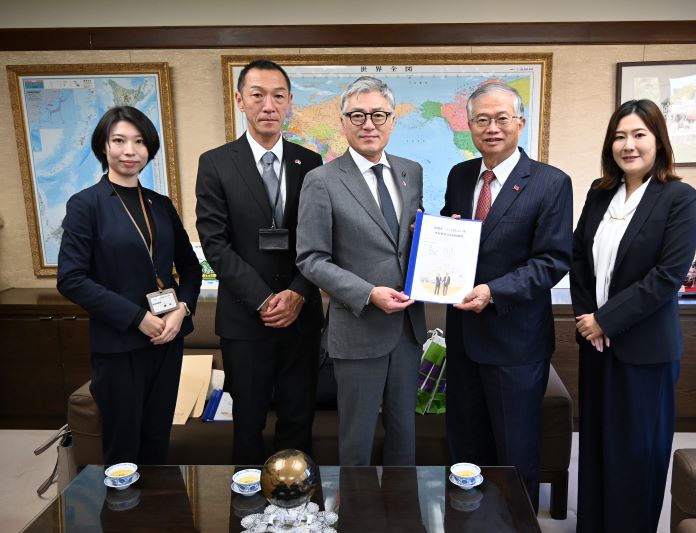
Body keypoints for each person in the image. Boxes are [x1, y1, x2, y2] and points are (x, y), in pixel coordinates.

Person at [570, 99, 696, 532]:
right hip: (596, 345)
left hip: (644, 351)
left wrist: (607, 319)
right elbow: (578, 260)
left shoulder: (678, 197)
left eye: (639, 135)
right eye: (620, 136)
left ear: (658, 141)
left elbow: (668, 275)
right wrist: (589, 318)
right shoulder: (599, 192)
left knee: (638, 454)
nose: (628, 145)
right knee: (598, 448)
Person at [440, 82, 572, 508]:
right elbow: (454, 230)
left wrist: (494, 291)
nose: (491, 128)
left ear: (520, 122)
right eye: (482, 119)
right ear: (469, 126)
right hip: (463, 340)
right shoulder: (461, 175)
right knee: (465, 451)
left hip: (515, 343)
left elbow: (552, 260)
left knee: (514, 455)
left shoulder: (550, 183)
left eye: (501, 118)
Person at [195, 59, 324, 465]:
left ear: (289, 103)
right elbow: (215, 244)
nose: (268, 105)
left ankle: (300, 514)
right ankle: (246, 513)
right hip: (245, 320)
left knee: (298, 422)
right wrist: (267, 299)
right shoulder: (216, 162)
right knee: (247, 423)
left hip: (301, 319)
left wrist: (299, 294)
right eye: (257, 95)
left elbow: (320, 239)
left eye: (278, 96)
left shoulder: (311, 163)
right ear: (240, 100)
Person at [57, 106, 201, 464]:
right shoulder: (85, 205)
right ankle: (123, 519)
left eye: (138, 142)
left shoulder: (160, 204)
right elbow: (71, 279)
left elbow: (190, 267)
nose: (129, 150)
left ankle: (158, 518)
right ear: (103, 147)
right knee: (123, 447)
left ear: (149, 149)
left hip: (167, 341)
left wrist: (182, 310)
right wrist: (138, 317)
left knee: (157, 439)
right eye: (119, 140)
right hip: (120, 345)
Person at [296, 76, 426, 466]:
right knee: (357, 441)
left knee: (405, 438)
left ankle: (404, 520)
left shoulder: (411, 171)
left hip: (408, 330)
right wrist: (368, 293)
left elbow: (408, 238)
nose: (369, 123)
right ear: (342, 121)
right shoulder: (321, 181)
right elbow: (311, 259)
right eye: (358, 115)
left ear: (392, 120)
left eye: (378, 114)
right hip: (358, 329)